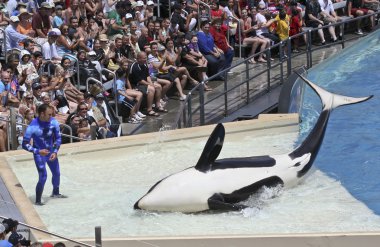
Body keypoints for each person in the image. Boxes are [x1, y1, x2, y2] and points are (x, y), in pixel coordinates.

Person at [22, 103, 67, 206]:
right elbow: (24, 144)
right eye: (49, 114)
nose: (51, 116)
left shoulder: (53, 122)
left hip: (51, 152)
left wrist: (55, 151)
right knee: (43, 176)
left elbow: (58, 138)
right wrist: (38, 151)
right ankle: (38, 201)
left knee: (57, 173)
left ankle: (55, 193)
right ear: (42, 114)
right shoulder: (32, 126)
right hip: (39, 154)